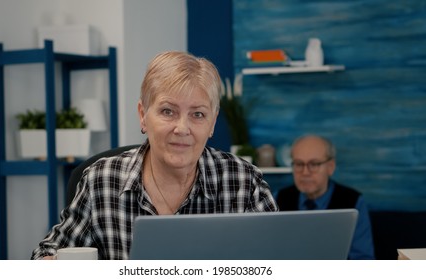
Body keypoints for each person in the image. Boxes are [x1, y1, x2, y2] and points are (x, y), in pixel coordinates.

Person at [31, 51, 278, 260]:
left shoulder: (244, 182)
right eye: (168, 111)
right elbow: (48, 252)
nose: (182, 128)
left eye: (198, 114)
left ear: (212, 123)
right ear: (143, 115)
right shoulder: (101, 180)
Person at [275, 134, 375, 260]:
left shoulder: (353, 202)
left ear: (330, 167)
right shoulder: (279, 198)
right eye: (299, 164)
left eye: (314, 164)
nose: (305, 172)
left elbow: (363, 260)